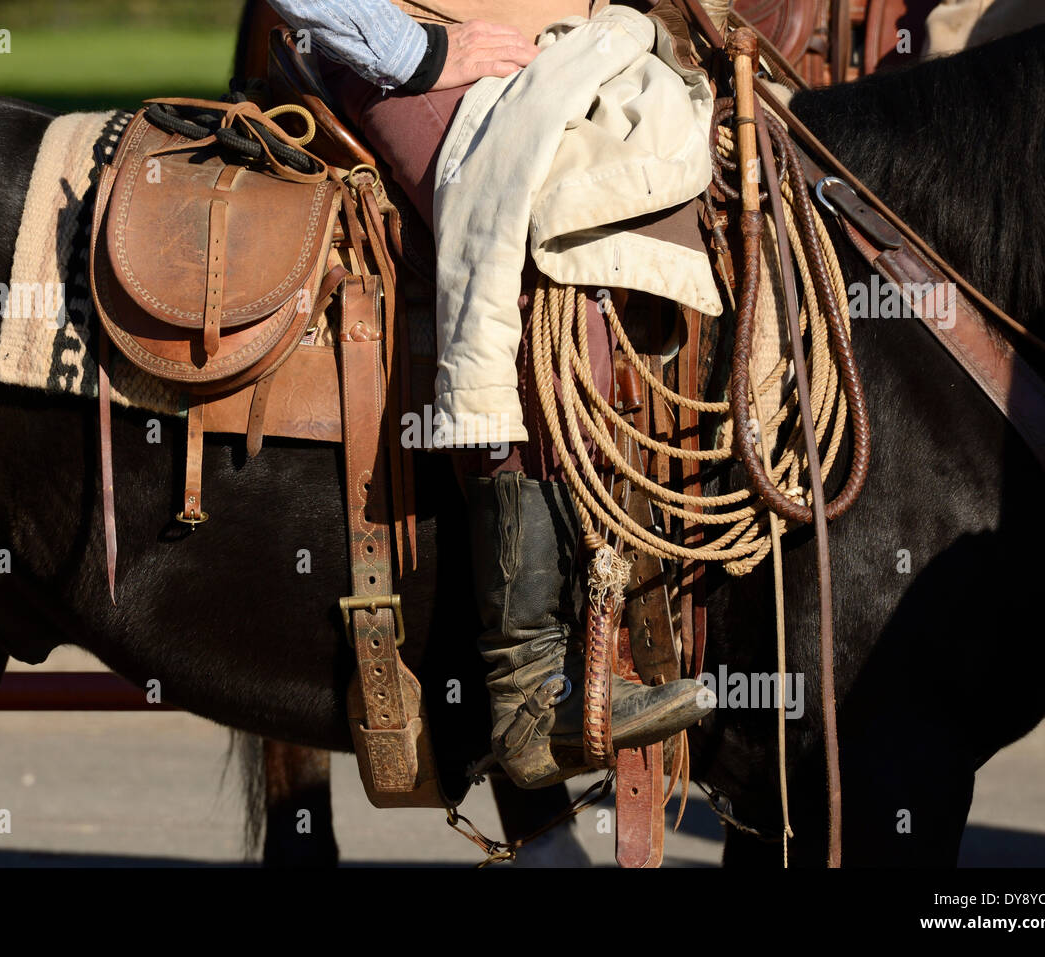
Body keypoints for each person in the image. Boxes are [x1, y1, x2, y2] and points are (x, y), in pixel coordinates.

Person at [263, 0, 714, 788]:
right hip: (422, 52)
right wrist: (413, 52)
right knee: (543, 242)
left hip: (579, 45)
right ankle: (529, 685)